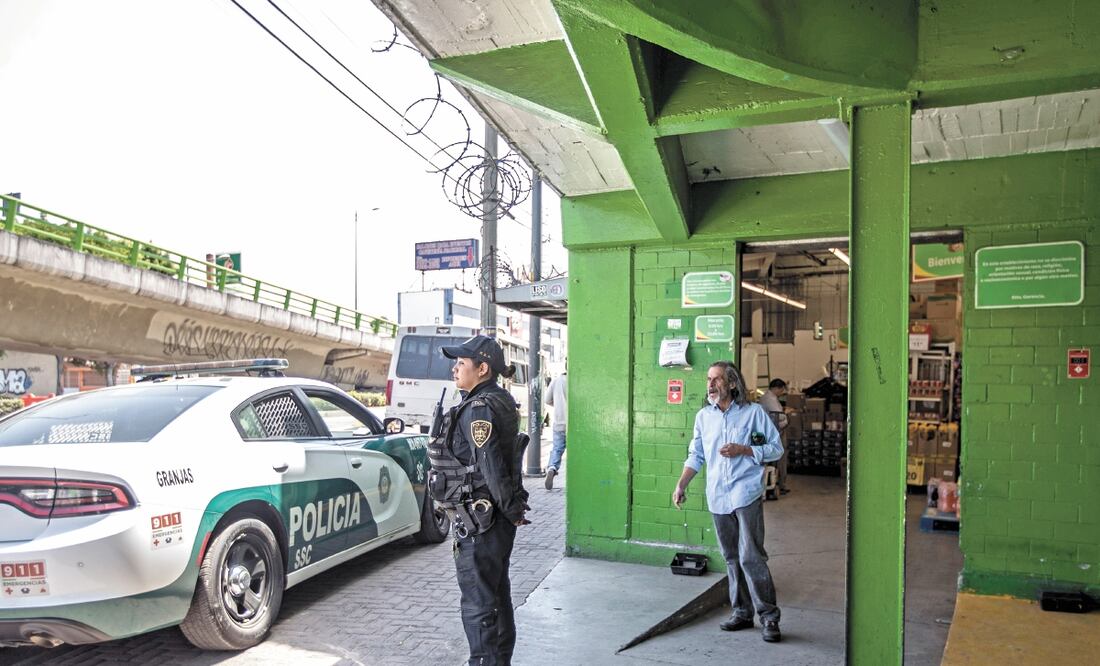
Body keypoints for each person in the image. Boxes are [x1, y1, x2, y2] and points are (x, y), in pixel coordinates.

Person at [428, 335, 531, 666]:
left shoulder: (479, 408)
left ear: (483, 368)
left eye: (462, 363)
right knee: (496, 598)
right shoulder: (496, 400)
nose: (455, 368)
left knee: (479, 604)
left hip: (482, 521)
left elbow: (490, 465)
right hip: (492, 519)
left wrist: (511, 510)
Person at [672, 361, 784, 643]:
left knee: (751, 556)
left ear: (733, 383)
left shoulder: (753, 414)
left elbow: (774, 449)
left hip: (745, 494)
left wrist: (744, 449)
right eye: (709, 379)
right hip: (718, 495)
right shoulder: (703, 417)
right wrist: (681, 484)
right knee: (732, 558)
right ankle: (742, 612)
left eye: (717, 379)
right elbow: (696, 454)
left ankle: (769, 617)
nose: (711, 384)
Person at [758, 378, 790, 495]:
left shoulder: (770, 397)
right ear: (777, 388)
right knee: (778, 459)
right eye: (781, 390)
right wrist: (786, 416)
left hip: (774, 431)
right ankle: (779, 484)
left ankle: (778, 484)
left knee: (776, 460)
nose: (782, 393)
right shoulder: (769, 399)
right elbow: (779, 416)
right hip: (775, 433)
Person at [543, 365, 567, 490]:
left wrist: (557, 404)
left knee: (557, 449)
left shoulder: (556, 381)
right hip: (574, 424)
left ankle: (552, 468)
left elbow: (547, 400)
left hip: (559, 422)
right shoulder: (577, 380)